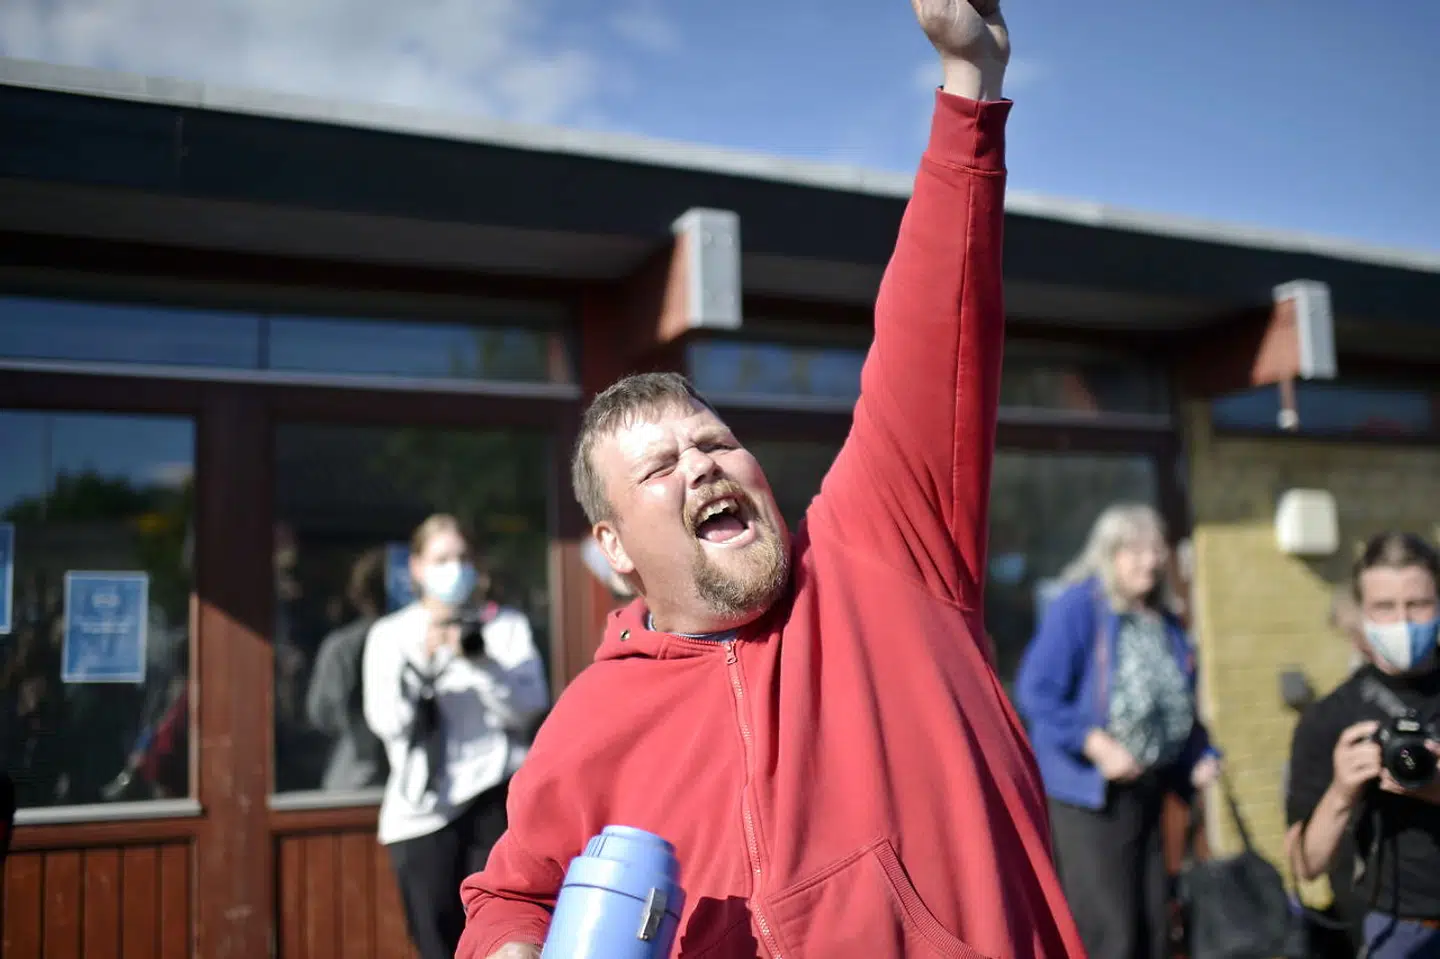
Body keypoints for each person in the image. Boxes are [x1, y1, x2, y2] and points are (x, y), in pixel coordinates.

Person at [458, 4, 1088, 958]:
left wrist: (970, 81)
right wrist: (507, 947)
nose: (701, 463)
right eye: (660, 466)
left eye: (712, 441)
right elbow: (508, 895)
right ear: (615, 547)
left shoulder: (883, 556)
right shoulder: (590, 721)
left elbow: (932, 332)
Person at [1013, 503, 1220, 959]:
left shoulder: (1163, 621)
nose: (1148, 560)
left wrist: (1200, 756)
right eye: (1134, 550)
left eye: (1154, 549)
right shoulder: (1080, 607)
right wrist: (1094, 742)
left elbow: (1177, 705)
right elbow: (1037, 693)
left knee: (1153, 925)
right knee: (1110, 932)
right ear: (1108, 554)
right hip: (1091, 799)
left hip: (1148, 790)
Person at [363, 514, 550, 959]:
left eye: (463, 558)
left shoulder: (503, 627)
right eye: (442, 558)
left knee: (502, 938)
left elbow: (529, 708)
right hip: (422, 812)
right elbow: (387, 723)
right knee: (436, 942)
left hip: (493, 802)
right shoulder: (392, 634)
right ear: (417, 567)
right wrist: (423, 666)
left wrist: (479, 662)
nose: (454, 568)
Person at [1285, 532, 1440, 959]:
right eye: (1385, 608)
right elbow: (1304, 866)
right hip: (1397, 927)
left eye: (1419, 605)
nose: (1403, 621)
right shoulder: (1329, 718)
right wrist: (1341, 791)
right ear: (1362, 614)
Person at [307, 548, 390, 792]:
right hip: (382, 780)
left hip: (354, 777)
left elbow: (320, 714)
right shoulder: (421, 640)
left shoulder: (341, 645)